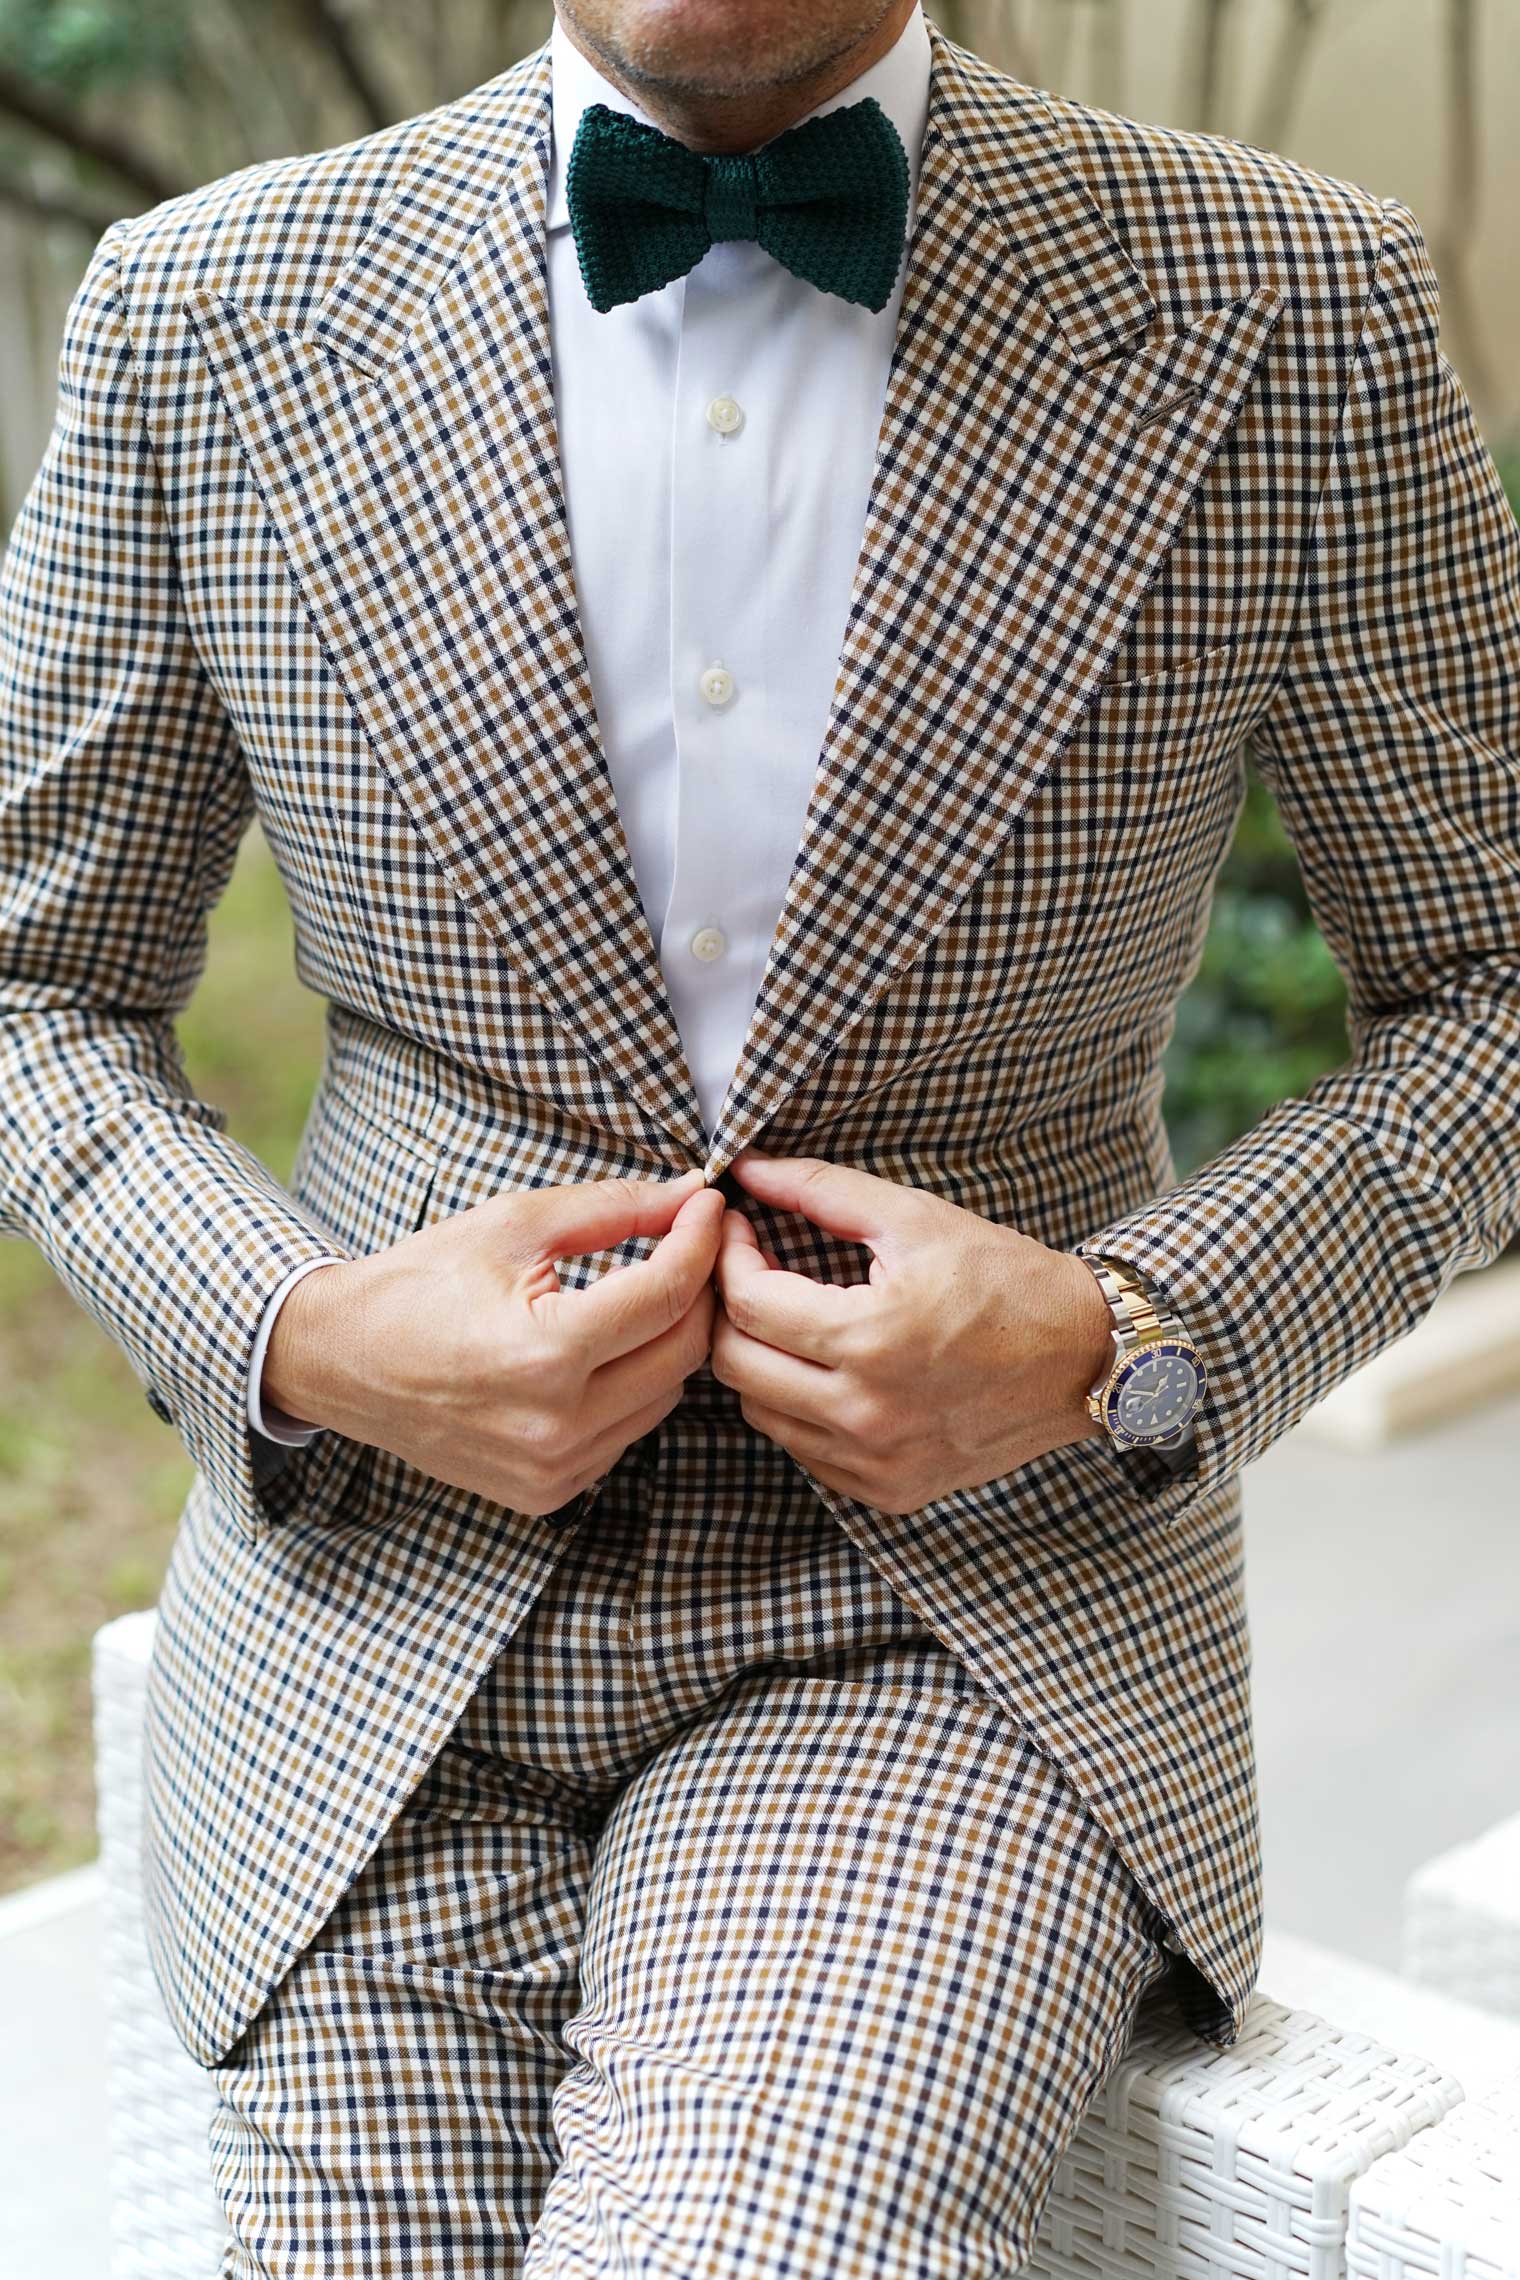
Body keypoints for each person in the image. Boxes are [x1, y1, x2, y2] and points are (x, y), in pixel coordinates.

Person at [2, 0, 1516, 2270]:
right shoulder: (206, 307)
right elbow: (34, 980)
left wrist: (1129, 1328)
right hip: (369, 1641)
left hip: (954, 1627)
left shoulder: (1291, 301)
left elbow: (1493, 986)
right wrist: (298, 1333)